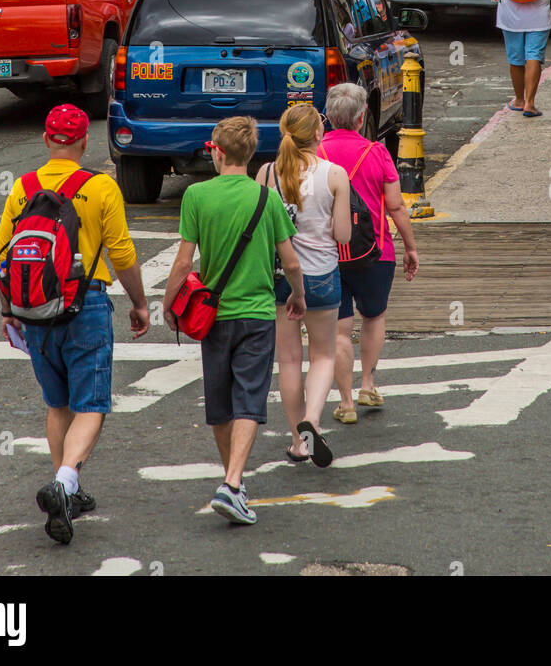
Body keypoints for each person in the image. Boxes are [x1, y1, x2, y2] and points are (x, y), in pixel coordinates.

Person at [0, 104, 149, 545]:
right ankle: (64, 484)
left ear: (46, 139)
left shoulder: (22, 188)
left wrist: (9, 311)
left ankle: (67, 487)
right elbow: (121, 255)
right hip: (87, 307)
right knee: (92, 405)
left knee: (57, 403)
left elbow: (2, 257)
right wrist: (140, 303)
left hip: (35, 312)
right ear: (84, 142)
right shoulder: (100, 188)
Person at [163, 116, 305, 526]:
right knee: (250, 399)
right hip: (258, 313)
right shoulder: (266, 199)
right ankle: (233, 484)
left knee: (221, 404)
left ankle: (233, 482)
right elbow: (291, 262)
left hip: (214, 315)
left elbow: (184, 261)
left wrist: (171, 304)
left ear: (217, 151)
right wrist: (297, 295)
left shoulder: (196, 196)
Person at [317, 84, 419, 423]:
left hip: (327, 253)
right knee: (373, 316)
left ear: (328, 117)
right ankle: (368, 385)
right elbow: (396, 206)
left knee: (339, 328)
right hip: (375, 250)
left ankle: (345, 403)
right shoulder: (377, 152)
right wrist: (410, 246)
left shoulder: (315, 153)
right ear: (362, 118)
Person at [256, 104, 351, 466]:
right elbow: (342, 235)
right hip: (323, 275)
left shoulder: (267, 173)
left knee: (290, 359)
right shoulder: (335, 174)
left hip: (281, 276)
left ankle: (298, 440)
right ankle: (313, 418)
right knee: (324, 354)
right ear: (317, 134)